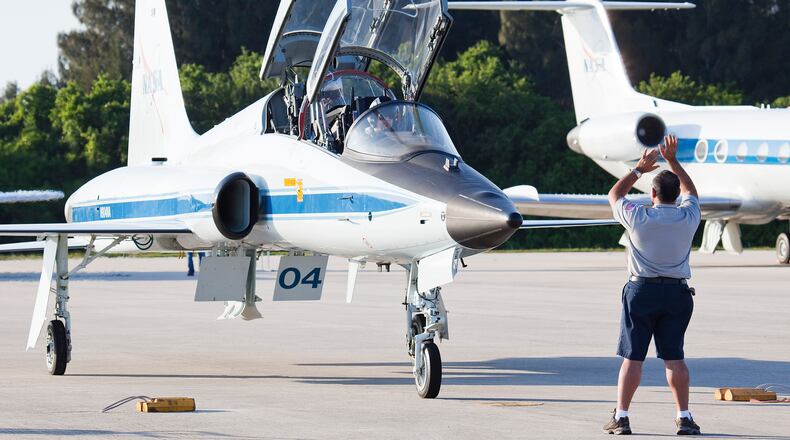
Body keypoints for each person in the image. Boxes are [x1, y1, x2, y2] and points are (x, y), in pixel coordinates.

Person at [603, 135, 702, 436]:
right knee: (675, 357)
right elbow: (693, 192)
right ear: (676, 195)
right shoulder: (689, 217)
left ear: (654, 193)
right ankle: (683, 417)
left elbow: (614, 195)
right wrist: (673, 160)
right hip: (677, 293)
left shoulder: (639, 217)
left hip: (641, 291)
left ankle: (622, 418)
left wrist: (638, 170)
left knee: (633, 358)